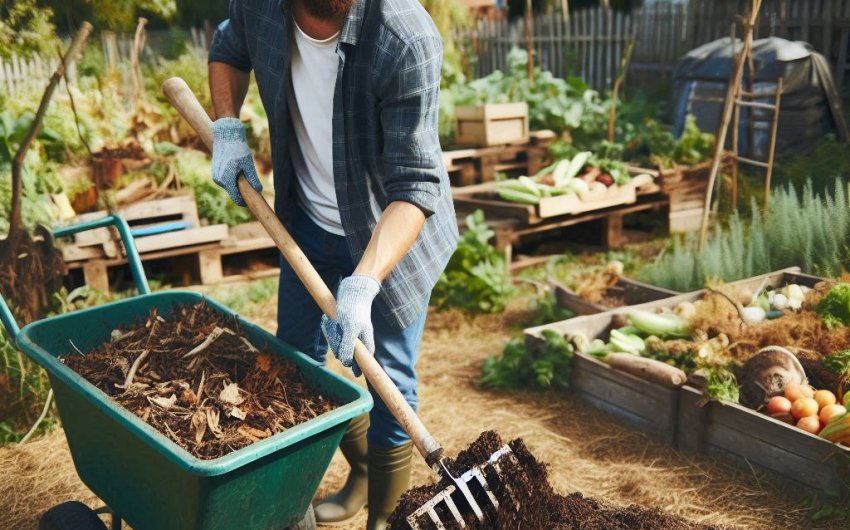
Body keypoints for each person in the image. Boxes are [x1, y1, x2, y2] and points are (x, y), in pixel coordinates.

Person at [207, 0, 458, 528]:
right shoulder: (262, 8)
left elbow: (416, 184)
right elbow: (228, 49)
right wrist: (227, 127)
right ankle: (365, 474)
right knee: (297, 365)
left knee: (389, 386)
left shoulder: (404, 37)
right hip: (306, 226)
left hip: (390, 234)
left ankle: (385, 518)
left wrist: (364, 282)